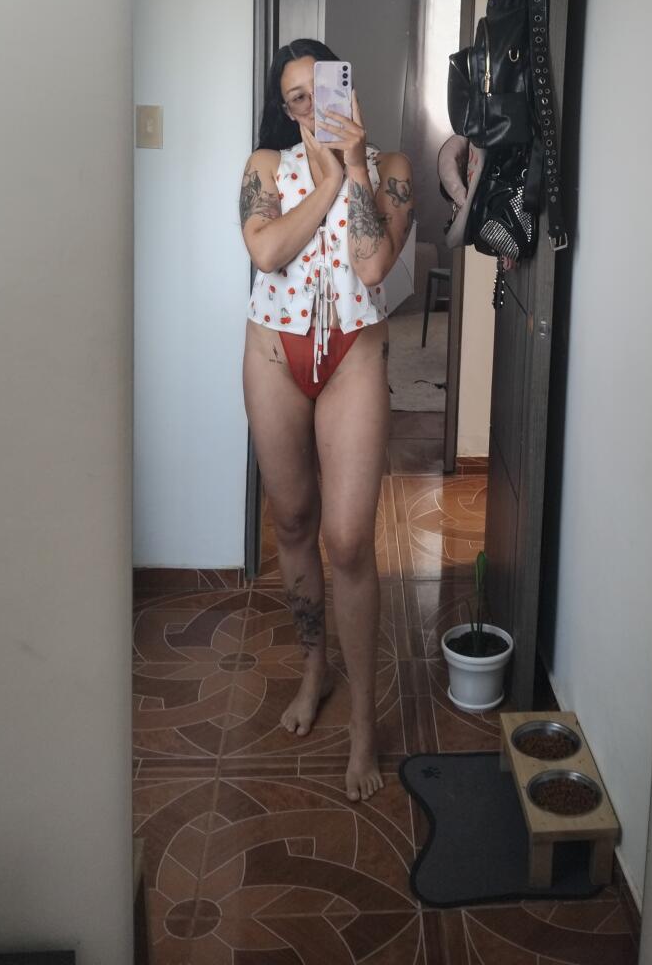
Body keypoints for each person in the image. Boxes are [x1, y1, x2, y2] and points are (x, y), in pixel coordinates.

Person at [239, 39, 414, 801]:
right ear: (285, 109)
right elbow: (266, 250)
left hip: (354, 357)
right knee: (291, 522)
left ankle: (363, 723)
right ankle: (315, 670)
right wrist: (327, 179)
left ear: (350, 89)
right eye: (298, 98)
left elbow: (372, 266)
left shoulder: (392, 168)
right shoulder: (265, 168)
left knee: (347, 540)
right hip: (274, 355)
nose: (313, 108)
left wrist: (355, 167)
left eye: (324, 90)